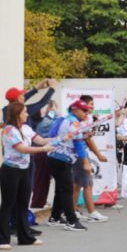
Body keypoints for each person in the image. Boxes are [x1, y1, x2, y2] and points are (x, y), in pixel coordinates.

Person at [0, 102, 55, 249]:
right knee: (7, 205)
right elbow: (22, 149)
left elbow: (41, 140)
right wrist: (44, 150)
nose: (27, 114)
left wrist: (60, 138)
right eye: (25, 112)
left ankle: (25, 237)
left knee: (23, 204)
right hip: (10, 171)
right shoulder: (9, 130)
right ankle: (1, 239)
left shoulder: (26, 128)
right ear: (17, 114)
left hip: (24, 170)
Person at [47, 100, 92, 232]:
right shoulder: (73, 123)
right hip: (61, 159)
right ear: (75, 110)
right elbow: (79, 144)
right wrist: (86, 162)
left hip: (54, 157)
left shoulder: (65, 119)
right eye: (84, 110)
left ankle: (55, 217)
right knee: (67, 190)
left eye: (88, 110)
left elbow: (53, 135)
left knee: (61, 189)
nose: (87, 113)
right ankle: (71, 221)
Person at [72, 95, 109, 221]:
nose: (93, 107)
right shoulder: (80, 121)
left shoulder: (85, 119)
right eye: (91, 104)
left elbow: (88, 137)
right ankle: (92, 212)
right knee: (88, 183)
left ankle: (73, 211)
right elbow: (87, 140)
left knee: (77, 184)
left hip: (78, 154)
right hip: (79, 154)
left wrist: (94, 124)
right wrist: (98, 155)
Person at [30, 100, 57, 209]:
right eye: (53, 107)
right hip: (43, 150)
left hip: (41, 149)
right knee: (41, 178)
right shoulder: (47, 121)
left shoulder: (42, 120)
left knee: (42, 177)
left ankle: (40, 201)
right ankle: (38, 202)